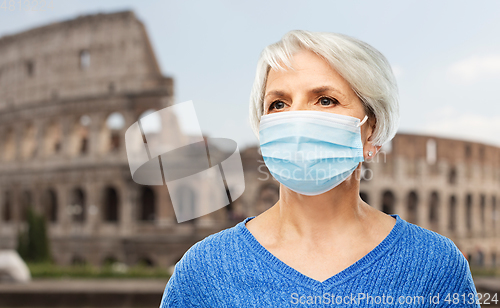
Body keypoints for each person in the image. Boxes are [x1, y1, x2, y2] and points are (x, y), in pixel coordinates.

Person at [160, 30, 480, 307]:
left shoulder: (434, 266)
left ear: (372, 132)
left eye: (325, 100)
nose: (296, 119)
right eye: (278, 104)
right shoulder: (205, 270)